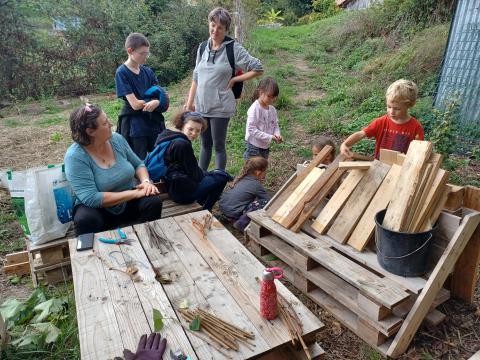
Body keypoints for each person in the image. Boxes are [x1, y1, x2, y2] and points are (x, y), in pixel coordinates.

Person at [64, 104, 163, 236]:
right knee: (85, 219)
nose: (110, 124)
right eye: (105, 123)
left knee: (153, 201)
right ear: (90, 131)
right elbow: (91, 198)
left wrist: (145, 182)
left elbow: (138, 164)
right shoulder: (75, 157)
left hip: (127, 202)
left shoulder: (116, 139)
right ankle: (92, 254)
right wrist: (134, 194)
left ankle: (148, 240)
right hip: (98, 209)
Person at [184, 7, 263, 170]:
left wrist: (235, 78)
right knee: (205, 145)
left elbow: (258, 68)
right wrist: (190, 102)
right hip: (202, 106)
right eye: (213, 25)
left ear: (226, 29)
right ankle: (202, 181)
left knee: (218, 146)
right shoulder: (202, 47)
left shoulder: (232, 48)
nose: (215, 30)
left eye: (220, 27)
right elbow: (196, 76)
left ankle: (218, 183)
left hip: (220, 106)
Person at [154, 111, 230, 211]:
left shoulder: (166, 135)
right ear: (182, 125)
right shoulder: (183, 145)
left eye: (198, 131)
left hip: (170, 185)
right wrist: (211, 173)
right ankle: (205, 210)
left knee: (217, 175)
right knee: (222, 177)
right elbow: (196, 175)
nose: (194, 133)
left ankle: (201, 204)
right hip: (182, 195)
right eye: (190, 129)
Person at [115, 32, 168, 159]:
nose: (146, 57)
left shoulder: (148, 71)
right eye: (142, 53)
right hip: (135, 125)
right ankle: (142, 180)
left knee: (158, 156)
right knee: (139, 160)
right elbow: (135, 104)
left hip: (153, 120)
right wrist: (156, 101)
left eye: (147, 53)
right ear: (130, 51)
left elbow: (160, 94)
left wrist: (156, 102)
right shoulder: (122, 73)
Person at [340, 79, 424, 159]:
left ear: (410, 105)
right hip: (380, 166)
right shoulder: (381, 122)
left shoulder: (416, 127)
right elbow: (361, 134)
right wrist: (345, 144)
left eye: (397, 109)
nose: (391, 112)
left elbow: (419, 151)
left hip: (401, 169)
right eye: (389, 107)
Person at [219, 157, 270, 231]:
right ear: (258, 172)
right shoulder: (256, 184)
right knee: (264, 203)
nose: (265, 174)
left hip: (224, 208)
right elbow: (268, 201)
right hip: (233, 212)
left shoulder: (240, 178)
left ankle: (228, 218)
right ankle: (242, 222)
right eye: (265, 171)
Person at [244, 77, 283, 160]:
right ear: (261, 91)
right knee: (252, 171)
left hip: (265, 147)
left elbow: (275, 125)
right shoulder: (255, 108)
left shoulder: (272, 110)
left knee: (262, 170)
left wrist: (277, 135)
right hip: (254, 147)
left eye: (274, 97)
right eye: (269, 96)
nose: (271, 99)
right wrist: (270, 137)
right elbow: (251, 129)